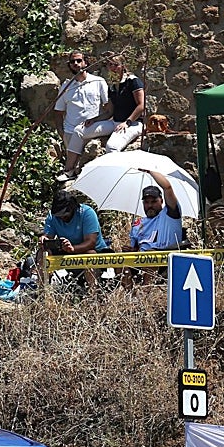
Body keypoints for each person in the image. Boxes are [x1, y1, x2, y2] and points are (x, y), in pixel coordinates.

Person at [65, 52, 144, 168]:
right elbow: (109, 112)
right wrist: (94, 120)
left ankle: (118, 175)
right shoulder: (113, 85)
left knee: (112, 147)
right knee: (79, 130)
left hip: (134, 123)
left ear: (123, 66)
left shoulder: (133, 81)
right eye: (110, 65)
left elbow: (141, 105)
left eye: (116, 65)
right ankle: (69, 170)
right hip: (115, 122)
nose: (113, 68)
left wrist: (128, 122)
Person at [54, 50, 110, 181]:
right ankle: (70, 173)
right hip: (70, 131)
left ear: (85, 63)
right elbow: (58, 111)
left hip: (92, 128)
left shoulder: (98, 81)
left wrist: (97, 120)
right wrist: (61, 132)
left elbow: (108, 107)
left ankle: (69, 171)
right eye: (73, 61)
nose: (76, 64)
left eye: (79, 60)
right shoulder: (66, 86)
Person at [39, 190, 111, 289]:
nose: (62, 218)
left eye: (64, 215)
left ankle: (93, 294)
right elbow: (48, 236)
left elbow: (91, 242)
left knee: (90, 255)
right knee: (42, 253)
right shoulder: (53, 217)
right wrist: (45, 240)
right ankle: (42, 290)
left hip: (91, 252)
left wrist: (73, 248)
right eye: (59, 216)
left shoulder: (87, 213)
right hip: (66, 251)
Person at [125, 168, 184, 288]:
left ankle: (146, 294)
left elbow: (167, 187)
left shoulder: (170, 214)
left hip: (165, 258)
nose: (150, 205)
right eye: (146, 202)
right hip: (140, 259)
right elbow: (134, 248)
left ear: (161, 201)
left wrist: (150, 171)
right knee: (118, 261)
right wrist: (130, 251)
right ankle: (130, 298)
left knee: (151, 255)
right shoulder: (138, 223)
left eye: (154, 201)